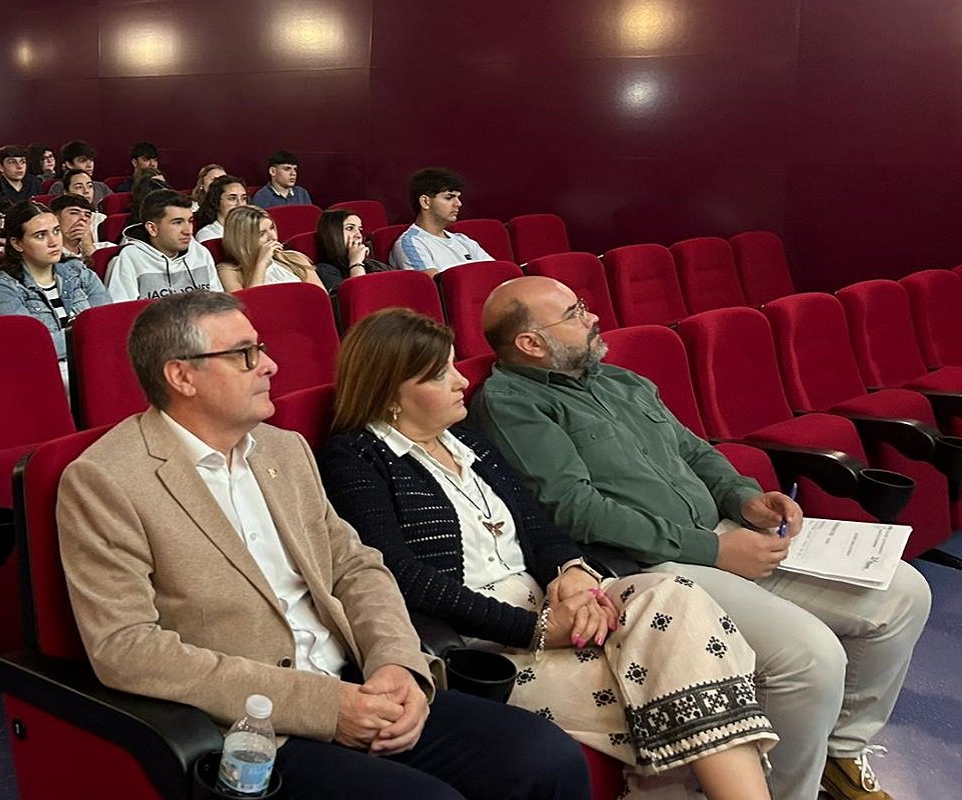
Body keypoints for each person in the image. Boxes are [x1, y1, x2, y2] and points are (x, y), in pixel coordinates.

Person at [56, 290, 591, 800]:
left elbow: (356, 568)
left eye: (261, 349)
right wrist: (325, 706)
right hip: (257, 724)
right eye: (245, 355)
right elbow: (127, 649)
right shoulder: (107, 480)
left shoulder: (283, 450)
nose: (270, 366)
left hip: (360, 679)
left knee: (548, 761)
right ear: (181, 376)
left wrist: (396, 666)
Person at [470, 275, 933, 800]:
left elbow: (696, 452)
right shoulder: (512, 402)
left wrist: (744, 498)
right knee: (810, 658)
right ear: (531, 344)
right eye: (574, 313)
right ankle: (785, 791)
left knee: (905, 591)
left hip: (723, 533)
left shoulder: (619, 380)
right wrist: (715, 550)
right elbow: (576, 511)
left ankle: (840, 752)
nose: (592, 316)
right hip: (653, 565)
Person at [320, 309, 777, 799]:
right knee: (680, 684)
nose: (461, 380)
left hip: (556, 609)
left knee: (674, 596)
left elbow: (539, 528)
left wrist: (573, 572)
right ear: (391, 394)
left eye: (454, 364)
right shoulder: (355, 457)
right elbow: (402, 577)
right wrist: (538, 630)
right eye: (439, 374)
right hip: (484, 640)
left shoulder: (468, 441)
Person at [0, 201, 111, 362]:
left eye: (56, 231)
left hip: (98, 361)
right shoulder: (4, 289)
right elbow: (32, 346)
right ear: (17, 244)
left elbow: (107, 323)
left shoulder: (78, 270)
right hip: (49, 372)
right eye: (40, 235)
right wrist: (90, 335)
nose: (54, 242)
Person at [104, 190, 221, 302]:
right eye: (177, 222)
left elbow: (218, 304)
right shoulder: (128, 259)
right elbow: (122, 314)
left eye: (189, 221)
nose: (188, 231)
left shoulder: (200, 252)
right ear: (152, 229)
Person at [389, 168, 492, 275]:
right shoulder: (410, 243)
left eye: (458, 197)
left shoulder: (464, 240)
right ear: (425, 202)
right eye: (449, 197)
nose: (458, 203)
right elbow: (434, 286)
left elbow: (495, 274)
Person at [216, 205, 324, 291]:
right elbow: (250, 306)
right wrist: (262, 263)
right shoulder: (228, 271)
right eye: (261, 233)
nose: (272, 237)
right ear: (243, 240)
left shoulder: (295, 258)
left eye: (272, 228)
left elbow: (322, 297)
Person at [312, 209, 398, 293]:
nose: (359, 235)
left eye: (360, 229)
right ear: (332, 234)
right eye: (350, 228)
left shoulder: (372, 264)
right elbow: (361, 298)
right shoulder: (324, 270)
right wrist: (356, 263)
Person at [45, 140, 113, 202]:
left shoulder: (101, 186)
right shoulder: (59, 187)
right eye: (83, 161)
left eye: (91, 160)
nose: (89, 165)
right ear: (69, 164)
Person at [50, 194, 112, 262]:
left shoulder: (107, 248)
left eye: (87, 215)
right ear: (54, 218)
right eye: (74, 213)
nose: (84, 218)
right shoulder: (48, 255)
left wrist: (89, 249)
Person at [193, 174, 249, 242]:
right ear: (216, 201)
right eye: (232, 198)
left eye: (244, 198)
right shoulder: (207, 236)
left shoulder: (252, 229)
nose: (240, 204)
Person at [59, 168, 108, 241]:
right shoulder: (60, 220)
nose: (86, 191)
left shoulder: (101, 219)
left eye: (90, 186)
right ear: (66, 192)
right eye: (79, 187)